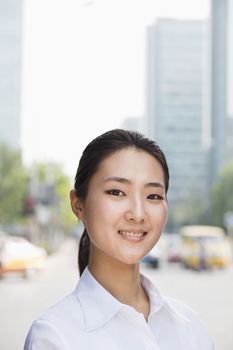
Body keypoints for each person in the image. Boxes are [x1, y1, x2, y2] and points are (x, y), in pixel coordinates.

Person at [24, 129, 213, 349]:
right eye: (116, 192)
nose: (138, 213)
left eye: (153, 196)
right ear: (78, 204)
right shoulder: (54, 336)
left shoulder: (189, 326)